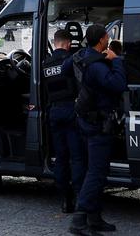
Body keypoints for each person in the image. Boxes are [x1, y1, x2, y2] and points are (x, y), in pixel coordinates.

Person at [69, 24, 126, 235]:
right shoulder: (97, 65)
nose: (108, 39)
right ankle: (79, 219)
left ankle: (94, 218)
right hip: (98, 125)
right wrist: (117, 60)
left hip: (86, 121)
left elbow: (66, 71)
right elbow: (118, 84)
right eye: (106, 37)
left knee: (95, 171)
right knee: (96, 172)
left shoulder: (82, 57)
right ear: (102, 39)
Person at [43, 28, 86, 214]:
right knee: (76, 157)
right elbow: (81, 86)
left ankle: (65, 199)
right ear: (68, 44)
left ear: (55, 43)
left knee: (61, 158)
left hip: (54, 112)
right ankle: (78, 196)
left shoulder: (46, 64)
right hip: (70, 111)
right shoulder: (70, 61)